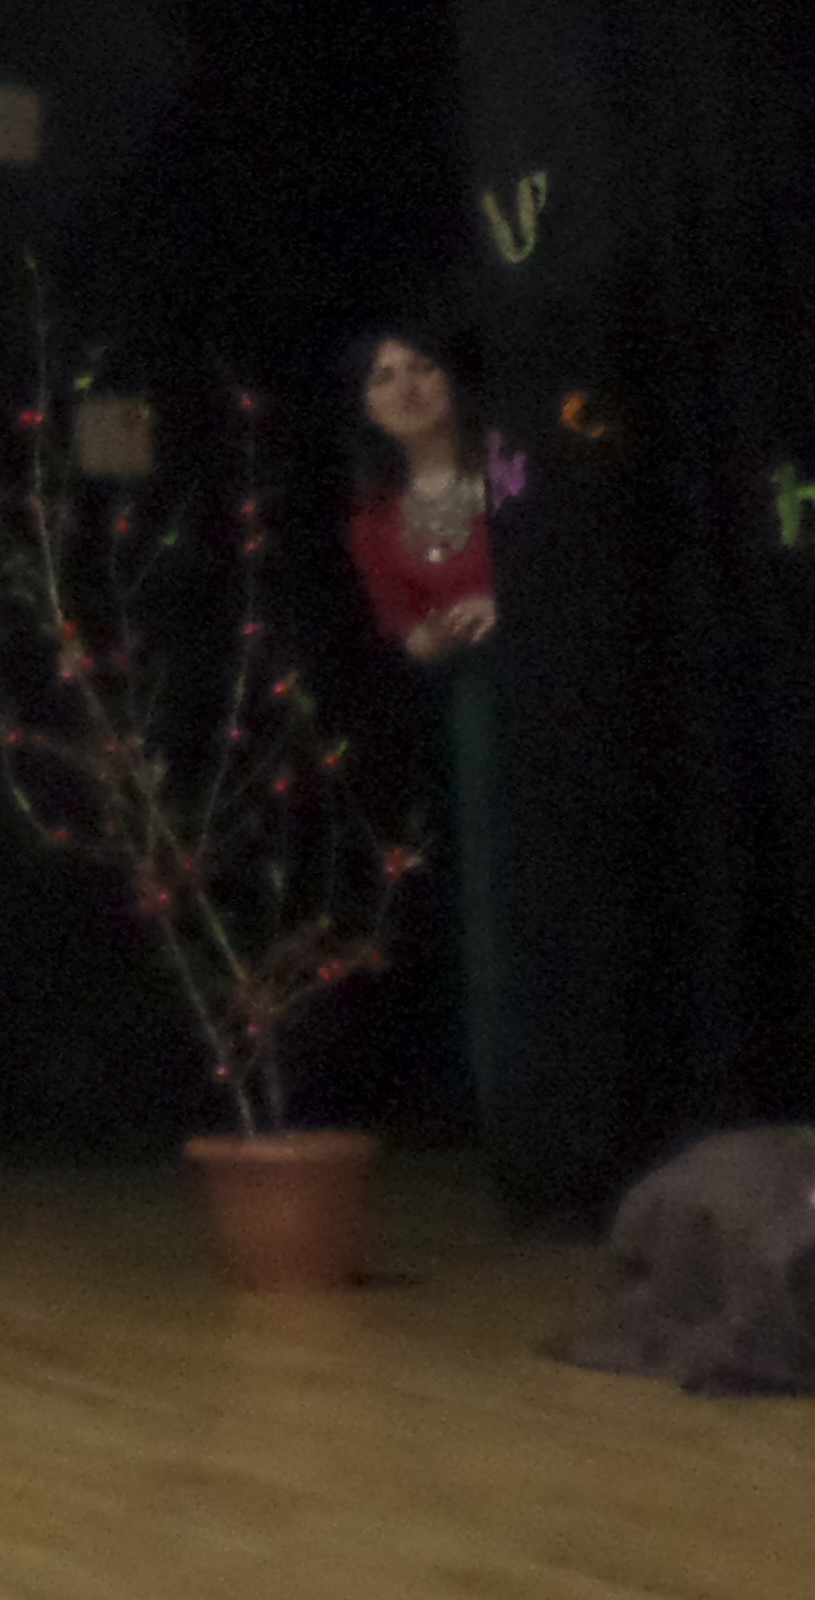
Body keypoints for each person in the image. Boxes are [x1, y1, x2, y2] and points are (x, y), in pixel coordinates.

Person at [343, 325, 506, 1146]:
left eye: (422, 366)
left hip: (546, 691)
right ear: (369, 408)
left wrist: (511, 603)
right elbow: (404, 632)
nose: (406, 386)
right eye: (385, 376)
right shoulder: (376, 519)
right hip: (470, 716)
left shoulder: (506, 471)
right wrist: (438, 635)